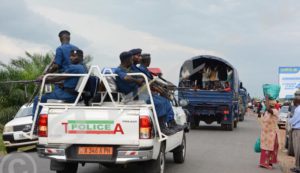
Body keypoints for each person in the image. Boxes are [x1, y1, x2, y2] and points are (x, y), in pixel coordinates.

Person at [115, 51, 178, 135]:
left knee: (164, 100)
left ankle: (168, 125)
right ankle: (161, 128)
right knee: (158, 103)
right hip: (130, 96)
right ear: (126, 60)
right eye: (130, 59)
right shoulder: (119, 69)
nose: (132, 61)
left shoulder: (129, 69)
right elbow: (126, 78)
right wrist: (137, 81)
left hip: (138, 93)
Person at [23, 49, 87, 133]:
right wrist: (60, 83)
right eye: (71, 56)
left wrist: (44, 79)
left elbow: (59, 77)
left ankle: (34, 125)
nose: (71, 58)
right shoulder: (83, 67)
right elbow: (68, 79)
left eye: (74, 56)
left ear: (81, 57)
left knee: (38, 98)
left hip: (67, 95)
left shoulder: (74, 67)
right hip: (72, 93)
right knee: (51, 91)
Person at [259, 100, 280, 169]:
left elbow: (269, 110)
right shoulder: (267, 112)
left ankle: (269, 163)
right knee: (265, 148)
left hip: (272, 133)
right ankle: (263, 163)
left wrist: (267, 99)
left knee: (271, 148)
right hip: (266, 133)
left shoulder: (275, 111)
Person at [289, 96, 300, 173]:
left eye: (293, 101)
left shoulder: (298, 109)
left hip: (297, 130)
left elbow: (294, 120)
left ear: (296, 102)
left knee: (297, 149)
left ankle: (298, 167)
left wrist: (289, 120)